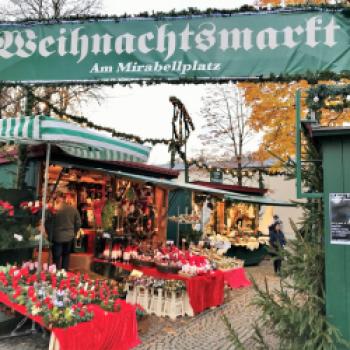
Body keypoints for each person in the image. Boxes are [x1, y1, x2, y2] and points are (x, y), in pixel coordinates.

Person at [46, 193, 81, 270]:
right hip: (69, 236)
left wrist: (49, 234)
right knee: (66, 256)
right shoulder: (73, 209)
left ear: (58, 199)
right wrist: (74, 232)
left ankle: (55, 275)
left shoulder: (53, 210)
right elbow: (78, 223)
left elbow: (47, 222)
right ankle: (64, 273)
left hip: (56, 237)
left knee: (56, 257)